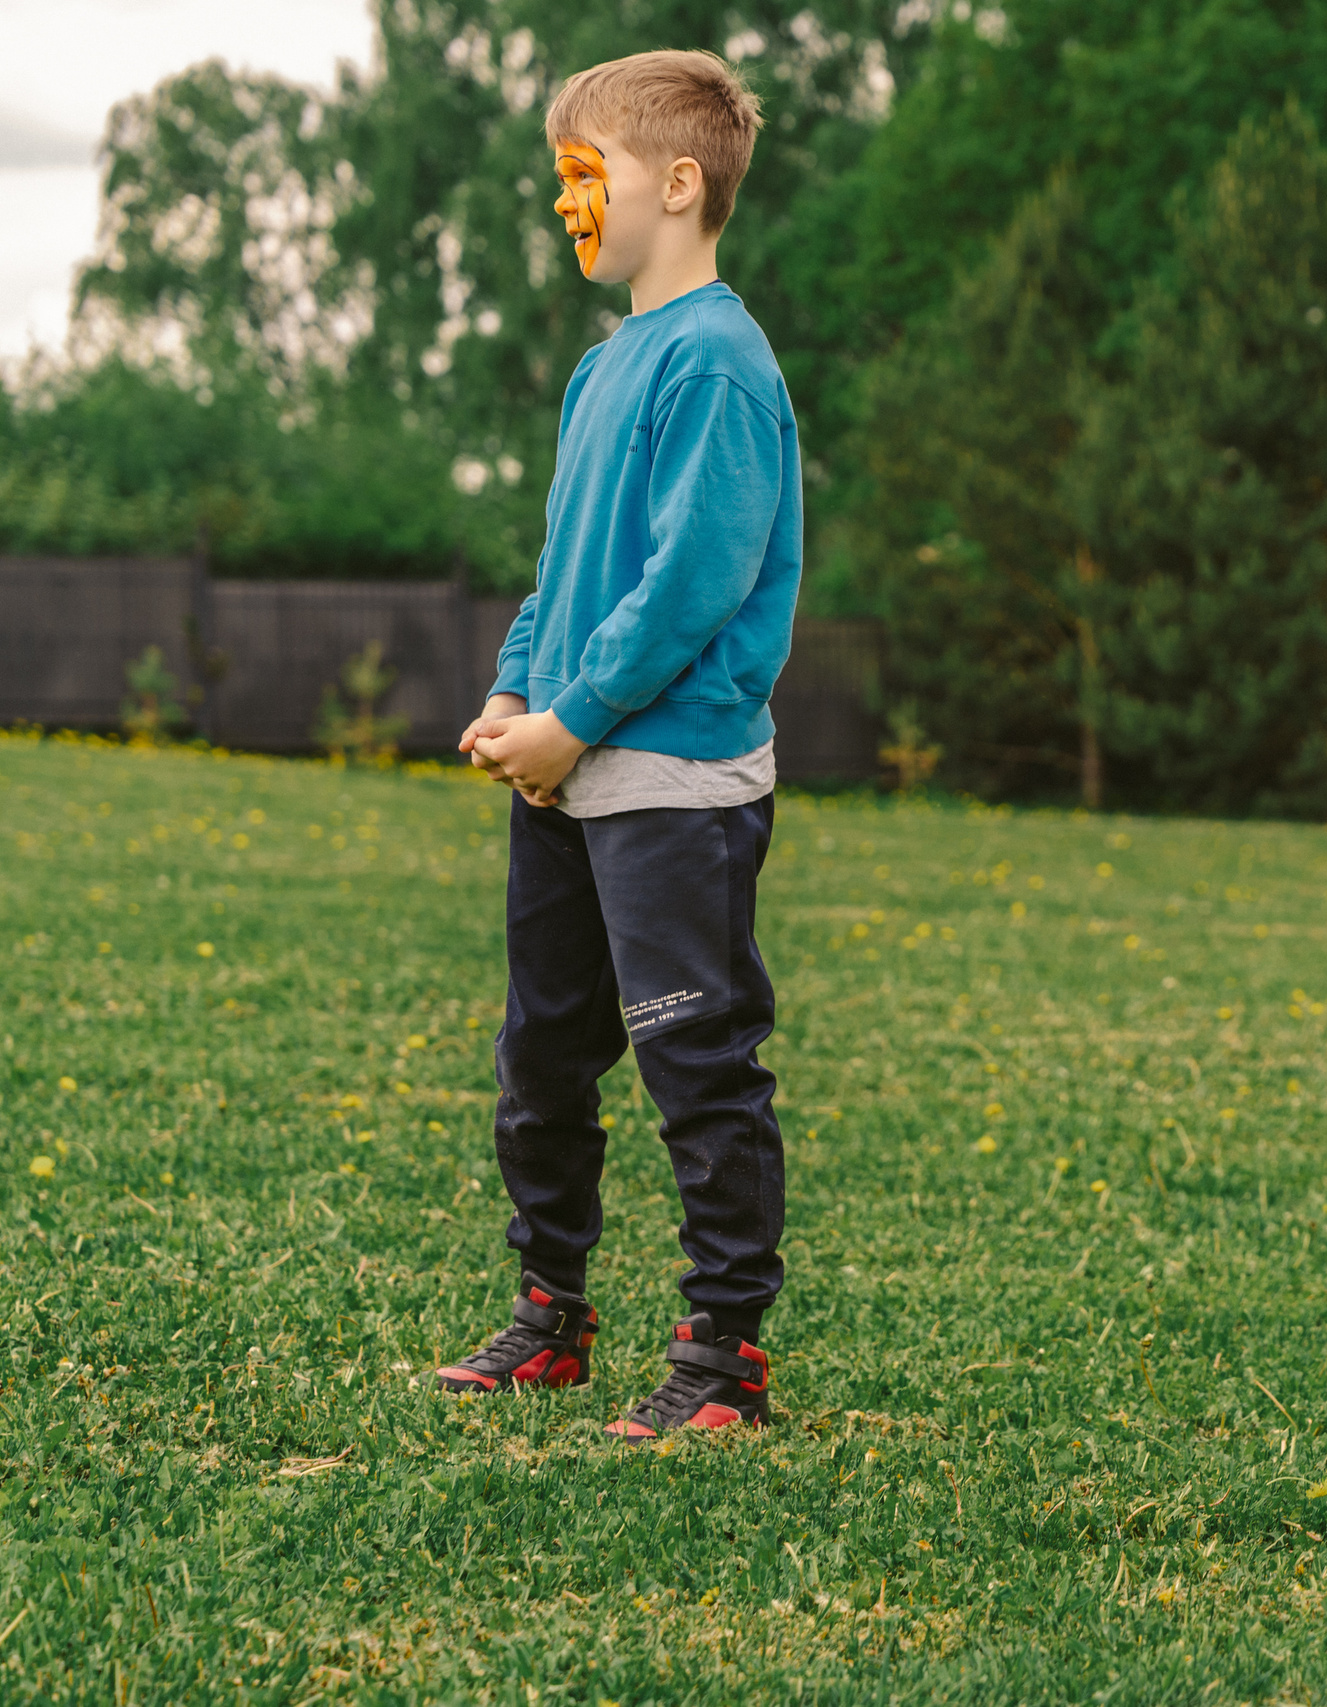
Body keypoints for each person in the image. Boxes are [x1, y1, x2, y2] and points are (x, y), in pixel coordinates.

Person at [442, 49, 800, 1442]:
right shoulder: (604, 369)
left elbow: (692, 581)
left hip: (672, 783)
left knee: (694, 1062)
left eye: (585, 174)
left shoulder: (717, 360)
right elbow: (568, 569)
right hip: (564, 770)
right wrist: (515, 698)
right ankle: (551, 1314)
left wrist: (576, 719)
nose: (566, 203)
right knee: (542, 1059)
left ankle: (724, 1354)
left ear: (680, 182)